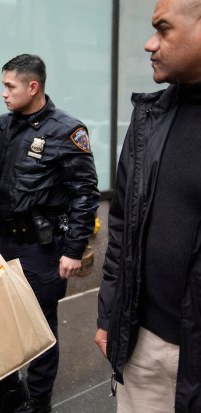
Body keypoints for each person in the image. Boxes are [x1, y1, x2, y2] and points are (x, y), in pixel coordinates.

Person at [0, 54, 100, 413]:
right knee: (2, 323)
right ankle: (12, 398)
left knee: (41, 328)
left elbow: (85, 195)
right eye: (4, 86)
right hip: (1, 241)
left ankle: (39, 403)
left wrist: (73, 249)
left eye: (10, 86)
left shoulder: (66, 131)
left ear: (32, 86)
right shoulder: (3, 127)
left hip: (42, 248)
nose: (4, 93)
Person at [95, 0, 201, 411]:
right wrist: (110, 316)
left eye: (163, 29)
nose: (148, 43)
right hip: (144, 345)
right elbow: (121, 225)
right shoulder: (149, 119)